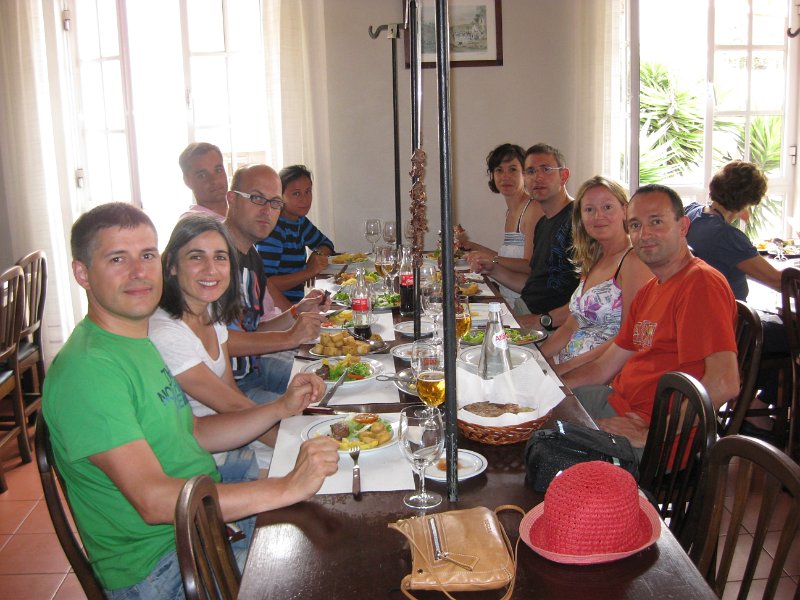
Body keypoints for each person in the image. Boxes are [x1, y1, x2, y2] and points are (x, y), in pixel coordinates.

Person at [42, 202, 339, 598]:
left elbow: (194, 431)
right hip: (162, 568)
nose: (138, 272)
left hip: (201, 528)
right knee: (328, 568)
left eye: (146, 255)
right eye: (117, 258)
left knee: (336, 527)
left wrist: (279, 409)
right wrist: (285, 487)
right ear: (82, 273)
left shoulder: (134, 341)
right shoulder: (89, 371)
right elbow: (153, 501)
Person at [562, 184, 740, 455]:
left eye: (656, 222)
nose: (644, 234)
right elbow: (602, 368)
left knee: (542, 447)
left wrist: (652, 435)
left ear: (683, 226)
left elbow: (724, 382)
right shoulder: (650, 290)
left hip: (659, 438)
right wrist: (550, 386)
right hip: (617, 405)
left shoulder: (700, 283)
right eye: (635, 225)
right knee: (536, 413)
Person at [149, 215, 279, 474]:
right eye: (196, 257)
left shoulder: (211, 308)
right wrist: (290, 443)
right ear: (172, 265)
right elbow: (231, 405)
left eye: (220, 257)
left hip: (234, 436)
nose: (211, 269)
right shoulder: (166, 333)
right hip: (206, 462)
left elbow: (231, 390)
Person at [685, 160, 788, 437]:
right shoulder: (727, 237)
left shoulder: (692, 214)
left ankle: (751, 402)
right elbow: (778, 281)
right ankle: (759, 410)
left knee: (776, 331)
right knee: (791, 334)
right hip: (727, 329)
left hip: (701, 323)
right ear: (749, 200)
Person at [224, 164, 329, 404]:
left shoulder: (251, 256)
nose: (267, 210)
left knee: (336, 379)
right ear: (232, 199)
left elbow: (250, 332)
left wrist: (297, 311)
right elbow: (218, 342)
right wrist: (290, 338)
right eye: (256, 198)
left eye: (274, 203)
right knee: (315, 412)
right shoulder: (215, 257)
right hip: (230, 391)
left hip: (255, 369)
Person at [539, 176, 652, 372]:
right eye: (589, 209)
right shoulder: (595, 256)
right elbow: (571, 325)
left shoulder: (634, 261)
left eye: (607, 207)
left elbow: (628, 338)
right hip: (565, 364)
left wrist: (564, 369)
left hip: (597, 375)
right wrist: (537, 359)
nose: (598, 216)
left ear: (625, 210)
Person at [471, 143, 580, 330]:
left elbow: (589, 296)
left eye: (546, 169)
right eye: (531, 171)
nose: (538, 177)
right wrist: (492, 269)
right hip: (525, 309)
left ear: (564, 176)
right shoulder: (543, 223)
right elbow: (532, 283)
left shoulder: (578, 220)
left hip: (547, 324)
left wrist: (544, 321)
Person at [461, 143, 544, 303]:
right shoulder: (511, 211)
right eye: (499, 170)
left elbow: (529, 266)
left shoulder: (532, 209)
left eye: (512, 169)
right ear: (492, 175)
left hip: (525, 302)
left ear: (525, 174)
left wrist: (491, 259)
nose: (505, 177)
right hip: (507, 295)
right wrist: (474, 247)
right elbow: (507, 258)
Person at [255, 164, 335, 306]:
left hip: (294, 307)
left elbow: (326, 244)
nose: (305, 199)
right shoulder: (273, 230)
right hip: (275, 312)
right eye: (296, 193)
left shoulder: (300, 222)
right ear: (280, 196)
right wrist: (309, 272)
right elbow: (265, 285)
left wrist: (317, 254)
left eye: (308, 191)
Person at [179, 142, 228, 220]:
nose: (214, 180)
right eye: (202, 175)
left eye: (218, 170)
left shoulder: (239, 214)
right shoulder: (193, 223)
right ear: (187, 181)